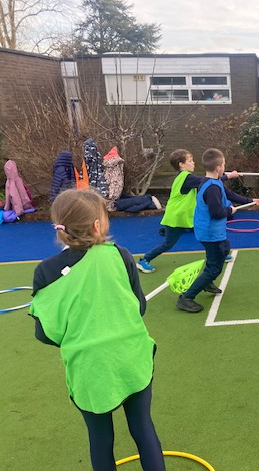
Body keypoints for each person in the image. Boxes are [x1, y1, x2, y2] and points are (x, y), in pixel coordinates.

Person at [29, 189, 165, 470]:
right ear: (97, 224)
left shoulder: (46, 271)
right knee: (143, 428)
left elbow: (45, 334)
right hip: (131, 358)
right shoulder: (120, 255)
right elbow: (139, 307)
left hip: (90, 368)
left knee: (100, 438)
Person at [176, 148, 259, 313]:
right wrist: (230, 211)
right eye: (223, 164)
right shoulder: (212, 188)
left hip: (211, 231)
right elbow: (217, 212)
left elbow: (231, 195)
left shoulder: (211, 182)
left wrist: (251, 200)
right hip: (210, 232)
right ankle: (186, 297)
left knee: (223, 250)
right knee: (215, 267)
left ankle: (206, 281)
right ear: (219, 168)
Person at [137, 149, 240, 273]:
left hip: (185, 217)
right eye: (190, 161)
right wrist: (229, 176)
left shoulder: (184, 177)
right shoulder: (187, 178)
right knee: (168, 244)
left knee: (206, 234)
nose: (193, 163)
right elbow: (209, 181)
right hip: (176, 218)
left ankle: (221, 254)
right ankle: (144, 260)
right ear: (181, 164)